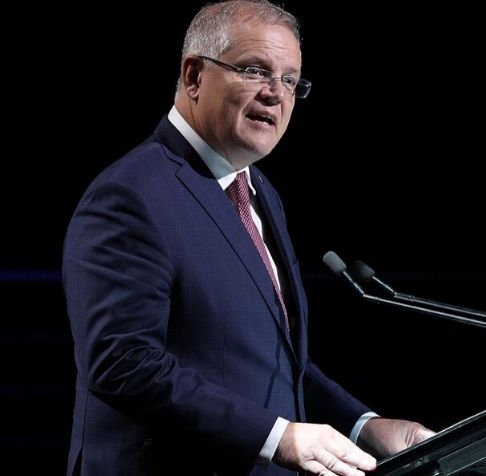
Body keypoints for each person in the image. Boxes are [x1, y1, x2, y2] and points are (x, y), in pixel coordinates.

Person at [62, 1, 435, 475]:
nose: (276, 94)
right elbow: (121, 362)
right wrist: (276, 437)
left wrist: (364, 425)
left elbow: (272, 363)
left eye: (290, 80)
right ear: (194, 76)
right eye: (255, 71)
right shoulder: (131, 194)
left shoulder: (259, 192)